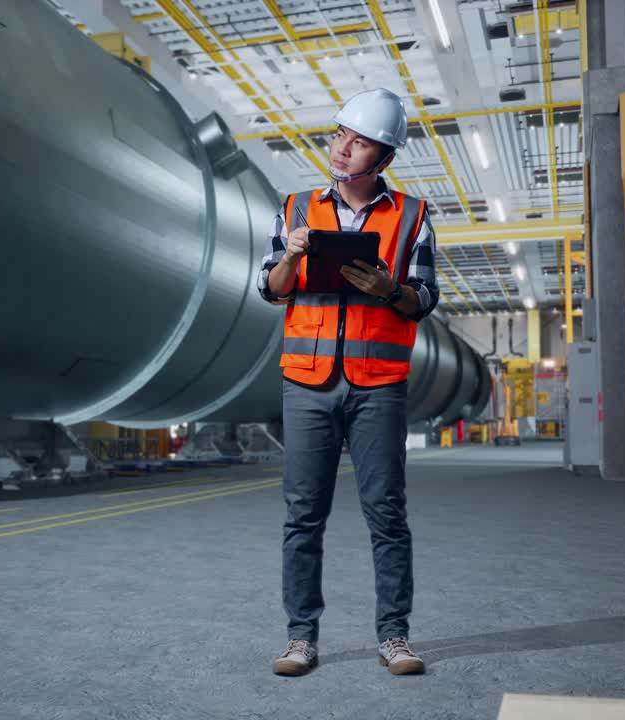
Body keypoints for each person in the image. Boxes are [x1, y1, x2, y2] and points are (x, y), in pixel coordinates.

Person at [256, 87, 441, 677]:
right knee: (302, 514)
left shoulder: (411, 216)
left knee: (386, 513)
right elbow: (270, 287)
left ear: (382, 158)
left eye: (359, 141)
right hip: (307, 381)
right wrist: (291, 254)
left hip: (377, 383)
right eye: (340, 134)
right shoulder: (295, 207)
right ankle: (300, 638)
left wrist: (389, 290)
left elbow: (426, 297)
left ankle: (395, 637)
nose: (342, 147)